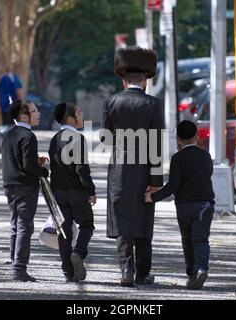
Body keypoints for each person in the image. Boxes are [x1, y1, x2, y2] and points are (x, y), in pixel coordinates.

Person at [101, 47, 164, 287]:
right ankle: (143, 273)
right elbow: (157, 144)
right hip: (146, 170)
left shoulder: (111, 102)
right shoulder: (153, 104)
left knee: (123, 222)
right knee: (144, 221)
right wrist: (156, 180)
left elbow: (106, 139)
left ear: (125, 82)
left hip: (119, 170)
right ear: (145, 82)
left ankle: (126, 271)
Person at [145, 120, 215, 290]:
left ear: (178, 139)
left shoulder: (177, 158)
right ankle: (201, 269)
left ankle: (192, 274)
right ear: (197, 137)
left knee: (187, 240)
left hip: (183, 206)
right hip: (204, 205)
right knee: (201, 240)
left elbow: (173, 186)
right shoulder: (205, 156)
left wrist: (152, 197)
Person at [49, 102, 96, 283]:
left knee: (64, 231)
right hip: (77, 191)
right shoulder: (78, 138)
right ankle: (79, 252)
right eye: (79, 112)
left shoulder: (55, 139)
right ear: (70, 118)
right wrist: (90, 190)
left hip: (58, 192)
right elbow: (82, 168)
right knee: (87, 225)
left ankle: (68, 272)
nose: (82, 115)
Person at [2, 100, 49, 282]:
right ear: (23, 116)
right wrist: (44, 171)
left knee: (15, 224)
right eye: (34, 111)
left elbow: (17, 159)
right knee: (25, 226)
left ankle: (14, 260)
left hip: (9, 184)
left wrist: (34, 161)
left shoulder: (10, 134)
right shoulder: (28, 136)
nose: (38, 114)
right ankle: (19, 268)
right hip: (25, 186)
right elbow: (28, 166)